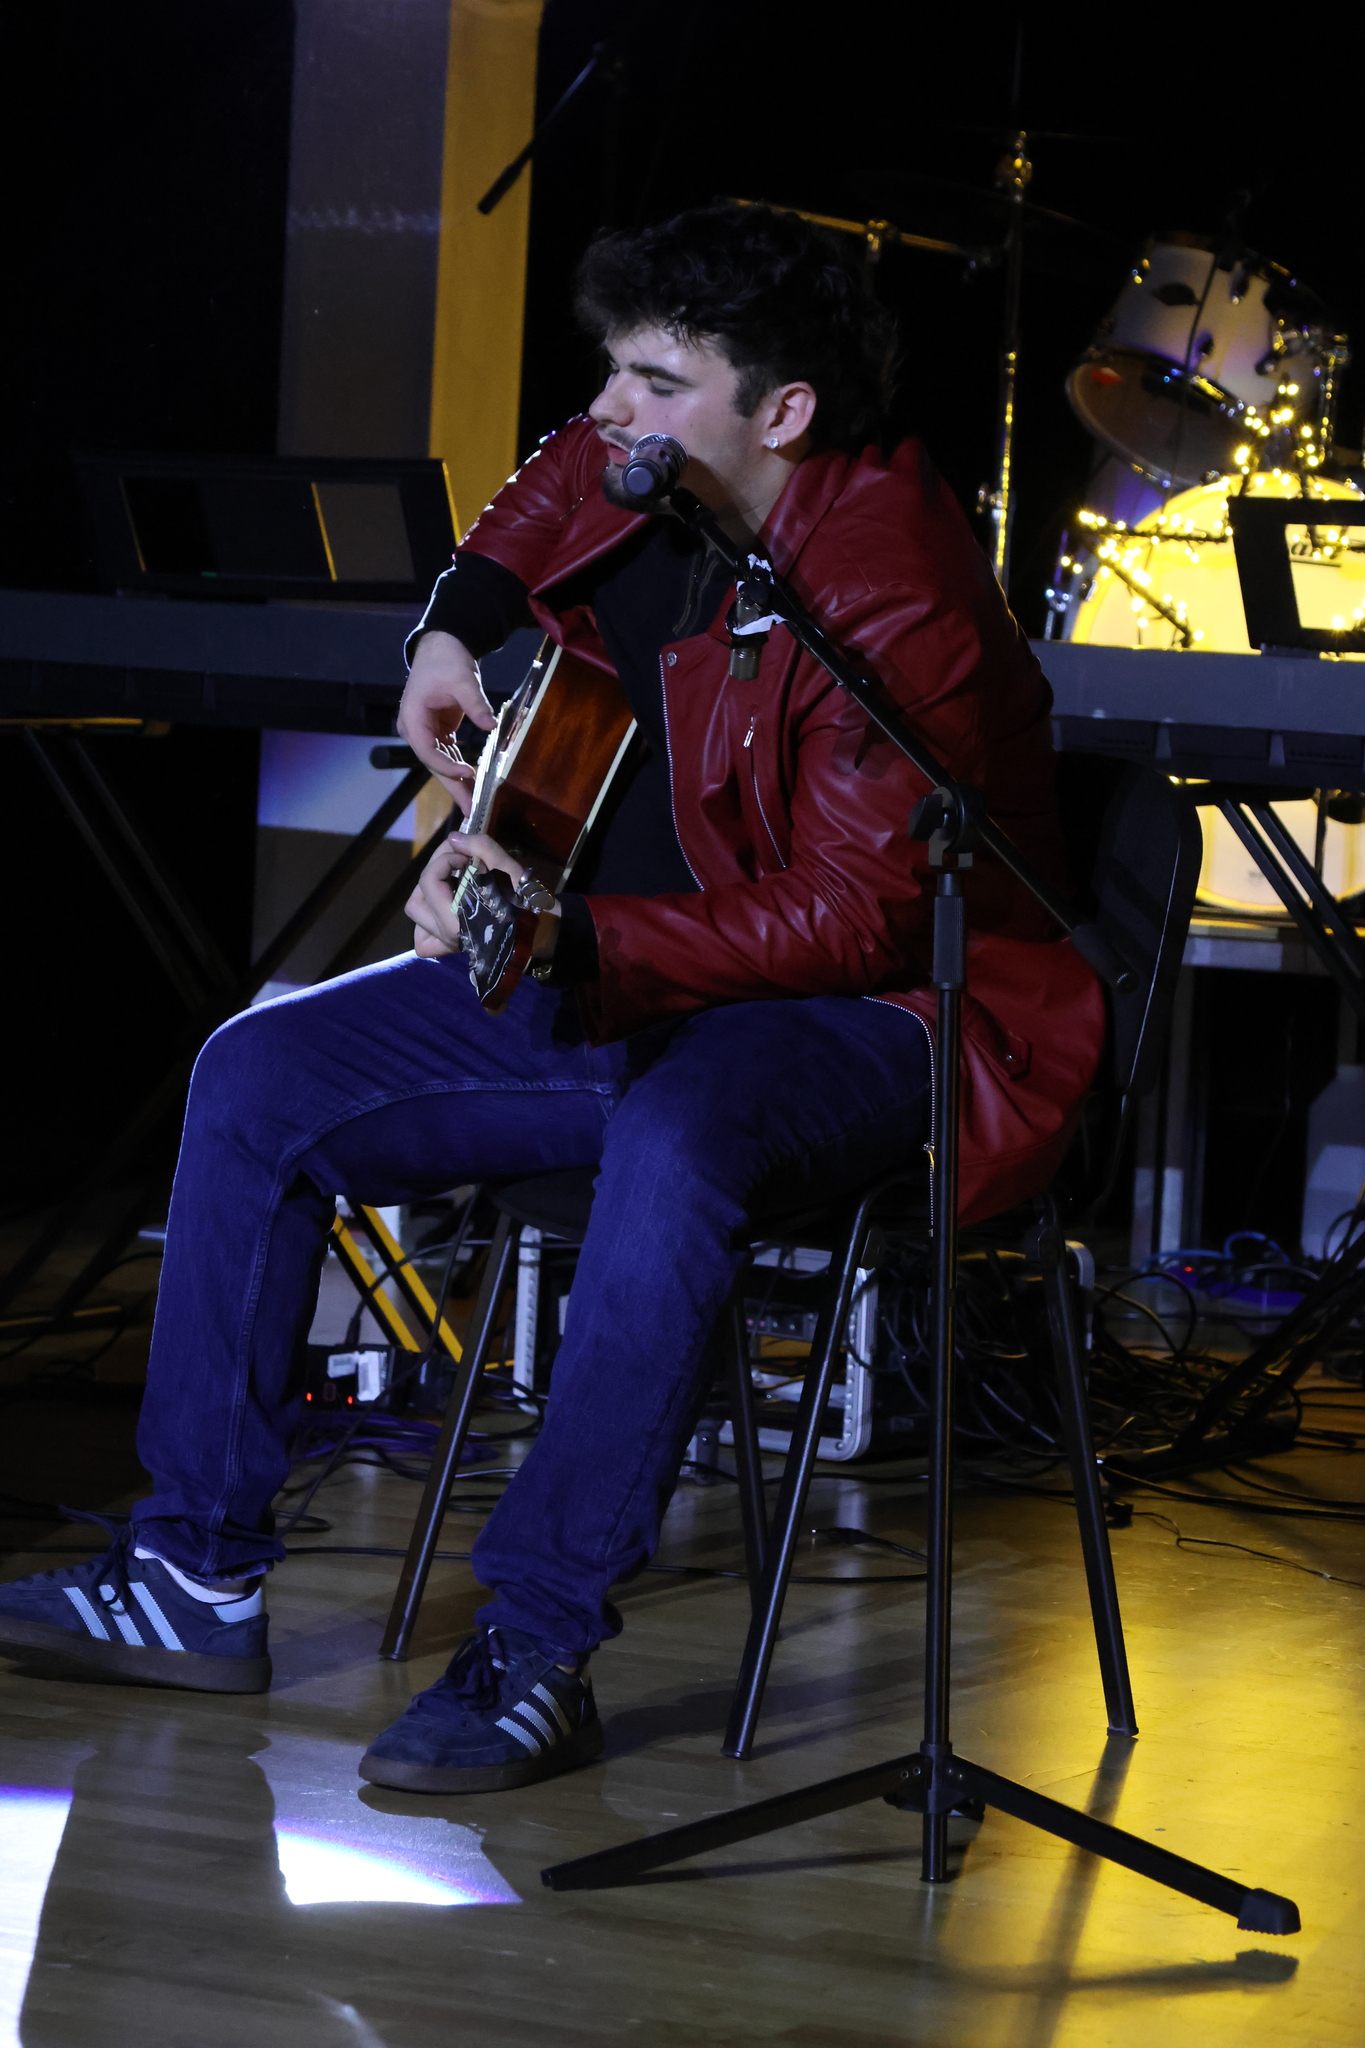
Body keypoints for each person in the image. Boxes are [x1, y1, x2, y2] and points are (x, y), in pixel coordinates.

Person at [0, 204, 1104, 1793]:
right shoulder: (657, 464)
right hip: (635, 973)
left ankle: (534, 1643)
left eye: (653, 380)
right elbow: (549, 487)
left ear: (783, 411)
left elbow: (857, 915)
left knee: (676, 1139)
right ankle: (192, 1576)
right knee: (258, 1074)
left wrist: (570, 936)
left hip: (883, 1019)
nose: (606, 410)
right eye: (611, 368)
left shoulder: (892, 588)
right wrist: (451, 634)